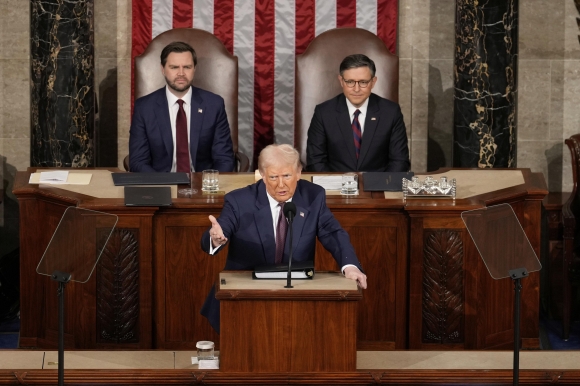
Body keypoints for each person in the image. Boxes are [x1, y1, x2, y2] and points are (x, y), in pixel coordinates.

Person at [200, 144, 367, 332]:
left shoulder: (313, 196)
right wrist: (215, 238)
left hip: (297, 297)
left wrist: (350, 266)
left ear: (298, 173)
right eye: (273, 177)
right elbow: (222, 228)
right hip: (245, 297)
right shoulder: (239, 200)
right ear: (262, 175)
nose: (281, 185)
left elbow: (333, 233)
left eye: (287, 176)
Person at [129, 41, 235, 172]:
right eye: (174, 67)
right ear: (163, 69)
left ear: (194, 69)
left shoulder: (214, 104)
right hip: (161, 184)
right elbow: (138, 161)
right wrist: (162, 185)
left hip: (204, 185)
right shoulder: (144, 108)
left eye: (187, 67)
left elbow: (224, 158)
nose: (181, 73)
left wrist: (210, 185)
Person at [306, 54, 410, 172]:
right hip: (335, 187)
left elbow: (399, 161)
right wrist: (333, 187)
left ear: (373, 82)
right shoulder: (324, 113)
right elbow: (315, 160)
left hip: (379, 187)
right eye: (350, 82)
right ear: (341, 81)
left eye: (363, 82)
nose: (356, 89)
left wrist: (382, 187)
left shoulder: (390, 112)